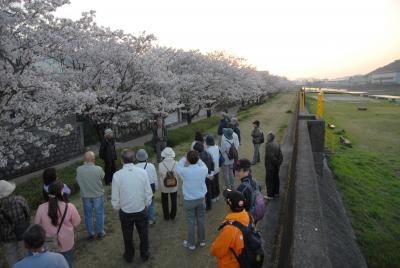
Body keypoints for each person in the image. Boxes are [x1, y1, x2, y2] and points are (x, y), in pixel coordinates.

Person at [111, 149, 153, 263]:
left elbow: (115, 197)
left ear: (121, 161)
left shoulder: (117, 175)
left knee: (127, 235)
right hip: (140, 209)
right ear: (134, 159)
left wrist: (118, 207)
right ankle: (144, 254)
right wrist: (146, 204)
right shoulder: (142, 173)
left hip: (126, 211)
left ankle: (129, 255)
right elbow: (148, 192)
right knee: (144, 233)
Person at [34, 181, 81, 268]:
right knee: (67, 263)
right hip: (67, 242)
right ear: (62, 192)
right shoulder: (69, 206)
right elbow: (77, 222)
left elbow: (37, 226)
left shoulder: (41, 208)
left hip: (49, 244)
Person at [176, 150, 208, 250]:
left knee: (190, 222)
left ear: (188, 160)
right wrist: (197, 158)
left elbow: (177, 167)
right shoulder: (203, 169)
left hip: (189, 200)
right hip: (201, 199)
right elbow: (202, 163)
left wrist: (184, 157)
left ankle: (191, 244)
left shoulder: (184, 171)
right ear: (198, 159)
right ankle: (202, 241)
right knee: (201, 219)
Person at [210, 189, 249, 268]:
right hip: (244, 258)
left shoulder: (230, 229)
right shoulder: (248, 216)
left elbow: (216, 250)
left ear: (229, 205)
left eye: (226, 201)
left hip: (232, 264)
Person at [75, 151, 106, 240]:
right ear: (93, 159)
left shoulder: (79, 169)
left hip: (86, 196)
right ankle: (100, 231)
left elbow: (77, 180)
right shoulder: (98, 169)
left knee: (88, 215)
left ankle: (90, 233)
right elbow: (102, 177)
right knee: (99, 213)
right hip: (97, 195)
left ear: (84, 159)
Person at [0, 180, 30, 267]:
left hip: (7, 237)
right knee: (27, 252)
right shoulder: (20, 200)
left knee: (11, 257)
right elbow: (28, 213)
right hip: (23, 232)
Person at [135, 149, 158, 225]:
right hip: (151, 186)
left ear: (137, 158)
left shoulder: (135, 167)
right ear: (146, 157)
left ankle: (143, 219)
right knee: (151, 203)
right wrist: (156, 187)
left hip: (140, 187)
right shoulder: (151, 165)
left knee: (142, 204)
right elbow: (155, 178)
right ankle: (151, 219)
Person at [157, 147, 179, 220]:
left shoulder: (160, 164)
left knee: (164, 201)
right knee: (174, 200)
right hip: (174, 185)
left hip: (164, 186)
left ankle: (166, 216)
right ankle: (173, 215)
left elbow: (160, 175)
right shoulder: (176, 163)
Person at [193, 142, 214, 210]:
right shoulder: (208, 154)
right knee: (208, 191)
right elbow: (212, 163)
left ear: (197, 150)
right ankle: (209, 205)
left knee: (202, 193)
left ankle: (202, 207)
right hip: (208, 175)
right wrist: (211, 173)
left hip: (201, 178)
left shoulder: (198, 158)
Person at [264, 132, 283, 200]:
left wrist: (275, 163)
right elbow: (281, 156)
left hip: (270, 166)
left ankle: (270, 195)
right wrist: (278, 164)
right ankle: (276, 193)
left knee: (270, 180)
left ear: (269, 138)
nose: (266, 138)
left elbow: (271, 157)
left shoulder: (268, 145)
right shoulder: (277, 144)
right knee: (276, 179)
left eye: (267, 137)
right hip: (276, 166)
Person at [205, 135, 221, 202]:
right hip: (217, 168)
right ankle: (217, 195)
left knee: (212, 184)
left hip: (212, 170)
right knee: (216, 182)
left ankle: (213, 197)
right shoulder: (217, 147)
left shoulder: (207, 150)